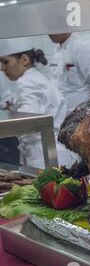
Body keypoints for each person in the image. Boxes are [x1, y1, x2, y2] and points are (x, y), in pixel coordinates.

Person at [0, 40, 78, 169]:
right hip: (47, 151)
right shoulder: (33, 78)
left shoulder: (27, 82)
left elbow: (27, 122)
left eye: (5, 62)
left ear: (24, 60)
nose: (2, 68)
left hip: (44, 155)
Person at [48, 33, 90, 113]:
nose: (50, 33)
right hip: (61, 115)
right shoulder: (57, 50)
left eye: (53, 27)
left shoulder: (82, 46)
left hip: (81, 115)